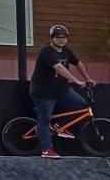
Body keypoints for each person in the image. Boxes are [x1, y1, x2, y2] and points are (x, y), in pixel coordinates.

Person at [30, 24, 97, 159]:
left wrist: (87, 78)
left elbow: (78, 63)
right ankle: (46, 150)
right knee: (44, 120)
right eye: (58, 37)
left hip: (61, 89)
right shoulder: (46, 52)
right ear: (52, 38)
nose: (61, 40)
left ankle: (58, 125)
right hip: (44, 92)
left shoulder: (66, 51)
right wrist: (76, 81)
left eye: (64, 37)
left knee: (80, 104)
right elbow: (59, 68)